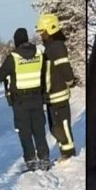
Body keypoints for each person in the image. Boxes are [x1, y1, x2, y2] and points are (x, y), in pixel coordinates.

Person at [0, 28, 52, 171]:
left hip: (20, 102)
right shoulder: (39, 54)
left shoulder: (13, 58)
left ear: (16, 42)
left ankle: (31, 161)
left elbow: (0, 76)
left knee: (25, 132)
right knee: (39, 130)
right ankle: (44, 158)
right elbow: (45, 73)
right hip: (37, 98)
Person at [36, 13, 77, 161]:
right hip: (51, 96)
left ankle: (69, 153)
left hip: (58, 94)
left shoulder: (57, 47)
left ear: (50, 29)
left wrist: (70, 81)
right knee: (55, 127)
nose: (41, 34)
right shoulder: (50, 48)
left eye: (42, 31)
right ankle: (64, 151)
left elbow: (65, 69)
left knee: (63, 124)